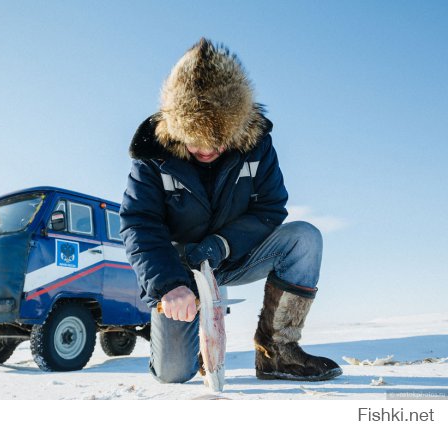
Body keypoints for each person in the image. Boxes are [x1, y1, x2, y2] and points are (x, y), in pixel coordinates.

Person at [120, 38, 342, 383]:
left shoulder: (256, 143)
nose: (207, 149)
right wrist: (169, 285)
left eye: (218, 139)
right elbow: (138, 223)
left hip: (235, 255)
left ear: (236, 126)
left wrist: (223, 244)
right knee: (173, 373)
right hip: (180, 270)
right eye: (196, 140)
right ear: (178, 128)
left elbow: (270, 208)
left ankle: (277, 353)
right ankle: (184, 346)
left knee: (304, 238)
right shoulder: (153, 154)